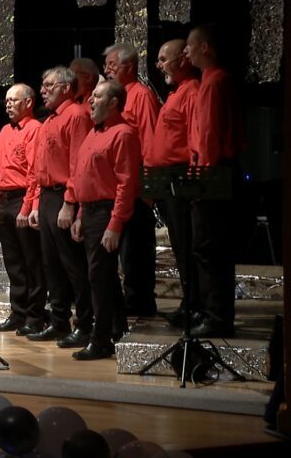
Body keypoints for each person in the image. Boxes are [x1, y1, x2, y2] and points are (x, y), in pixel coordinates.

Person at [69, 81, 141, 360]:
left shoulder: (123, 134)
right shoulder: (93, 133)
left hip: (106, 211)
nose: (90, 100)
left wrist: (115, 223)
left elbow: (127, 183)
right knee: (104, 276)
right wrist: (78, 214)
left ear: (113, 103)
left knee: (98, 276)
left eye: (97, 96)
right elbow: (84, 178)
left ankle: (100, 340)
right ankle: (117, 330)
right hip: (89, 211)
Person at [26, 66, 94, 348]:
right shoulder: (49, 120)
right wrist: (36, 204)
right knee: (50, 264)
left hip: (65, 196)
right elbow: (41, 167)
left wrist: (69, 202)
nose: (42, 89)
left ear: (65, 87)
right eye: (42, 84)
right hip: (48, 196)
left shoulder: (76, 115)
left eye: (48, 84)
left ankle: (86, 324)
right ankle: (58, 320)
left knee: (73, 265)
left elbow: (79, 163)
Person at [184, 23, 240, 338]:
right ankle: (213, 313)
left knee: (209, 249)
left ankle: (216, 316)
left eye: (190, 46)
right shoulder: (211, 81)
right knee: (208, 249)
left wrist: (202, 180)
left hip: (213, 176)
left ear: (205, 47)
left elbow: (209, 136)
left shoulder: (215, 82)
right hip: (213, 172)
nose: (187, 52)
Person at [103, 43, 160, 317]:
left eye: (112, 65)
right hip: (115, 187)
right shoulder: (115, 98)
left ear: (129, 67)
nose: (107, 70)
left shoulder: (142, 96)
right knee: (123, 250)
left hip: (136, 187)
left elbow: (150, 142)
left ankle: (140, 303)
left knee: (136, 251)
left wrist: (148, 187)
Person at [146, 39, 200, 326]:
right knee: (180, 244)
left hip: (181, 177)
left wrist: (193, 184)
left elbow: (195, 139)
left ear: (183, 59)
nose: (158, 65)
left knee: (186, 244)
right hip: (168, 179)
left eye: (163, 58)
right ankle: (189, 302)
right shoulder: (177, 91)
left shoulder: (191, 91)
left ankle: (194, 304)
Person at [0, 83, 46, 336]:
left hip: (23, 198)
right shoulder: (4, 131)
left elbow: (34, 172)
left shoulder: (35, 129)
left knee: (31, 261)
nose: (8, 104)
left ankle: (35, 316)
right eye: (7, 100)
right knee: (13, 262)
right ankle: (18, 312)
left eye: (14, 100)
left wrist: (27, 207)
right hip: (4, 199)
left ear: (29, 102)